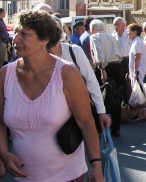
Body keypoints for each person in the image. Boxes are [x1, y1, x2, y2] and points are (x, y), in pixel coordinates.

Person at [0, 10, 103, 182]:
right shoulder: (6, 74)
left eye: (24, 34)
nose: (16, 39)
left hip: (67, 176)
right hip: (23, 177)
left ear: (45, 39)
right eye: (16, 32)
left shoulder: (66, 73)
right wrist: (3, 154)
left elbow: (86, 122)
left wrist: (96, 166)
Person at [48, 16, 112, 133]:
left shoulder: (74, 51)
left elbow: (91, 82)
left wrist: (101, 111)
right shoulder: (34, 57)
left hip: (74, 116)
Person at [90, 19, 124, 137]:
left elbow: (99, 54)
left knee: (99, 96)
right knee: (116, 97)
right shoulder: (111, 36)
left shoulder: (95, 37)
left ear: (93, 28)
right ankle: (116, 127)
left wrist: (102, 69)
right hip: (117, 67)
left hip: (105, 68)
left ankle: (100, 126)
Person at [127, 23, 146, 122]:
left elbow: (138, 56)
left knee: (139, 91)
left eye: (129, 31)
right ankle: (138, 112)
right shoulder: (135, 42)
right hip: (136, 70)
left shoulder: (137, 42)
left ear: (135, 32)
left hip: (138, 70)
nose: (128, 34)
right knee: (136, 92)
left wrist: (135, 70)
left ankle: (144, 113)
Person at [112, 17, 132, 101]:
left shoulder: (128, 35)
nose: (115, 26)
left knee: (128, 83)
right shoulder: (113, 35)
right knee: (119, 83)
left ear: (124, 25)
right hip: (117, 61)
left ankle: (130, 102)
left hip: (127, 60)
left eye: (117, 24)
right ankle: (122, 102)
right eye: (115, 24)